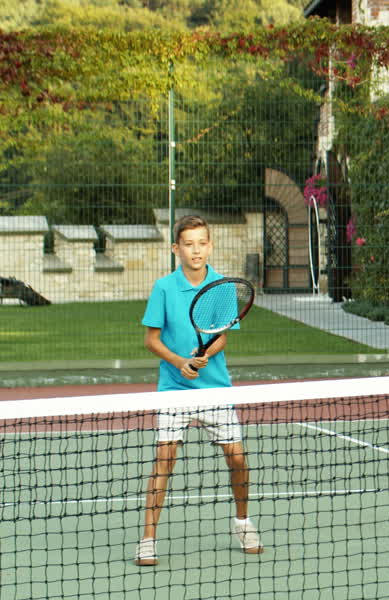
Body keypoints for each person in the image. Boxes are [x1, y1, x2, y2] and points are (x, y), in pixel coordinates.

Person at [134, 214, 263, 566]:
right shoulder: (164, 287)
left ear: (210, 245)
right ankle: (148, 539)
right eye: (188, 244)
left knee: (237, 458)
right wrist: (181, 362)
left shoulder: (222, 285)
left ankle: (243, 523)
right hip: (174, 390)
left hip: (215, 390)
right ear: (176, 248)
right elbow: (150, 340)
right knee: (165, 459)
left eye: (201, 243)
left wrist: (203, 355)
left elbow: (221, 334)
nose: (195, 250)